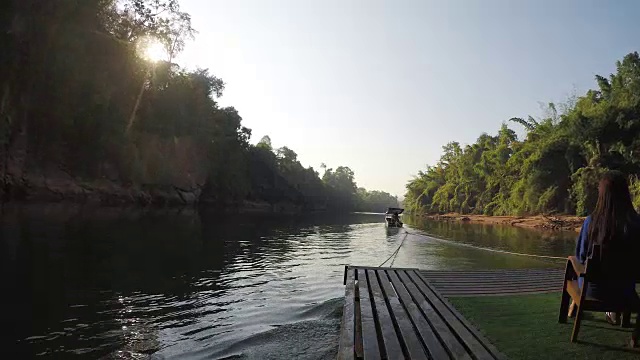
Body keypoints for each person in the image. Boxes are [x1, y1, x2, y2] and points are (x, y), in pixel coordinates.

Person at [575, 171, 640, 346]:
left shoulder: (591, 222)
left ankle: (606, 311)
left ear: (602, 194)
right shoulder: (636, 224)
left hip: (593, 291)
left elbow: (580, 257)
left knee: (575, 266)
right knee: (622, 282)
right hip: (625, 293)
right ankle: (636, 333)